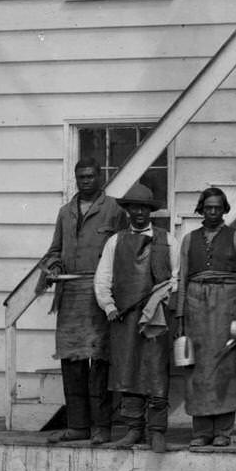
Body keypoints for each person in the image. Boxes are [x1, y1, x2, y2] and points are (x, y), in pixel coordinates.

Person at [38, 158, 127, 444]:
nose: (85, 181)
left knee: (100, 362)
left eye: (90, 176)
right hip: (70, 295)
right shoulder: (65, 213)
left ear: (100, 177)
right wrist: (54, 267)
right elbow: (54, 250)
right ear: (75, 179)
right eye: (81, 177)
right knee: (72, 362)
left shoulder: (114, 210)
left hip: (100, 295)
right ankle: (77, 426)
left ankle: (102, 427)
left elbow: (124, 252)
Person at [94, 183, 175, 452]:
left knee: (156, 371)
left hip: (156, 317)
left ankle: (157, 430)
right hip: (124, 318)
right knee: (127, 370)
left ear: (151, 211)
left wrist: (160, 298)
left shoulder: (167, 239)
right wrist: (109, 306)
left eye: (144, 208)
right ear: (127, 210)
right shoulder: (115, 241)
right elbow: (102, 278)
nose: (139, 213)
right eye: (134, 208)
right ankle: (133, 429)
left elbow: (177, 276)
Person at [175, 186, 236, 449]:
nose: (212, 212)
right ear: (201, 209)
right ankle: (201, 430)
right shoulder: (189, 240)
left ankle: (223, 431)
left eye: (217, 208)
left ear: (224, 209)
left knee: (227, 367)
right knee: (197, 369)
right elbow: (182, 279)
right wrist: (180, 317)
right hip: (196, 308)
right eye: (208, 208)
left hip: (228, 308)